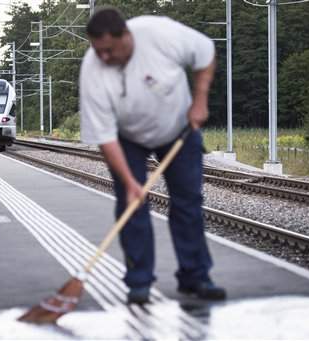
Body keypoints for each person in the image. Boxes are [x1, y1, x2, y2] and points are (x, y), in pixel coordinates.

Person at [79, 7, 226, 303]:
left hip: (179, 130)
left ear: (126, 36)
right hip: (127, 138)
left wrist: (200, 101)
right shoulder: (92, 69)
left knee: (188, 202)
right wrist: (131, 183)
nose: (103, 57)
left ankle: (195, 277)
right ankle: (139, 282)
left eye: (108, 50)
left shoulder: (160, 33)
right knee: (131, 204)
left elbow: (206, 53)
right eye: (98, 51)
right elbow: (105, 138)